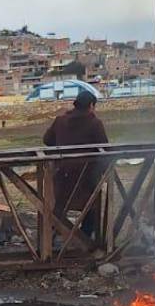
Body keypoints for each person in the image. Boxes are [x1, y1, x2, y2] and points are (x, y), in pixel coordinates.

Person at [43, 90, 110, 241]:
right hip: (86, 178)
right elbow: (105, 149)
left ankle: (51, 239)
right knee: (91, 206)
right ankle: (85, 239)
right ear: (91, 105)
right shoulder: (94, 123)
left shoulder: (60, 120)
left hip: (62, 176)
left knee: (59, 209)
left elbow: (47, 140)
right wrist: (106, 171)